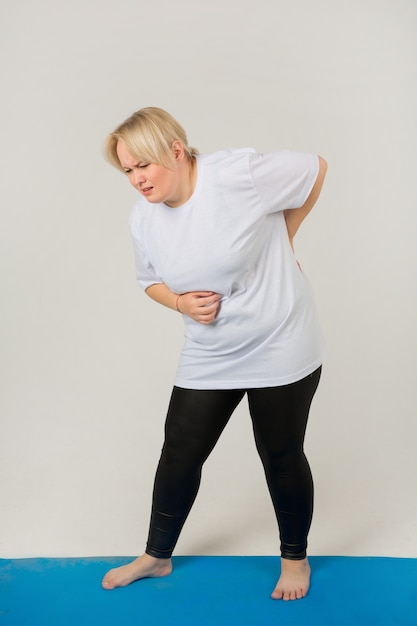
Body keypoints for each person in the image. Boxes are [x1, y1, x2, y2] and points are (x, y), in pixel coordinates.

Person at [101, 106, 327, 601]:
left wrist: (285, 236)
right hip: (212, 351)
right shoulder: (145, 217)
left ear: (176, 151)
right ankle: (157, 555)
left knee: (280, 453)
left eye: (144, 165)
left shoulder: (235, 176)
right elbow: (150, 282)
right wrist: (180, 302)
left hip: (280, 338)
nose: (137, 179)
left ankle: (295, 559)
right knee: (179, 453)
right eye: (128, 171)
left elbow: (315, 167)